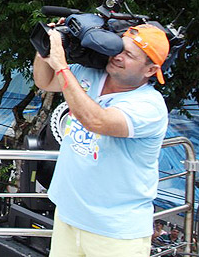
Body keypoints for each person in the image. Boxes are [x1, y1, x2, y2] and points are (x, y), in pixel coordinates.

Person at [34, 23, 170, 256]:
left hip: (114, 232)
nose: (118, 56)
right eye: (119, 48)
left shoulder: (149, 106)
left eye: (129, 55)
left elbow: (96, 120)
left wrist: (61, 64)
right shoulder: (89, 75)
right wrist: (46, 48)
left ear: (150, 70)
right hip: (68, 215)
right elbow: (44, 81)